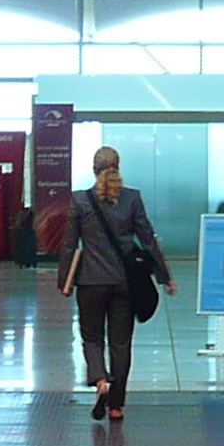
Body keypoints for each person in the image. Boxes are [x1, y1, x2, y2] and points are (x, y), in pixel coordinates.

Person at [56, 146, 174, 420]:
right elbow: (147, 239)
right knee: (121, 344)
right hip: (124, 284)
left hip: (90, 283)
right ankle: (117, 405)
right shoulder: (131, 198)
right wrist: (164, 276)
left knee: (91, 337)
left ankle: (100, 381)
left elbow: (69, 245)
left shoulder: (80, 201)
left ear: (93, 169)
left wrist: (65, 282)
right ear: (117, 167)